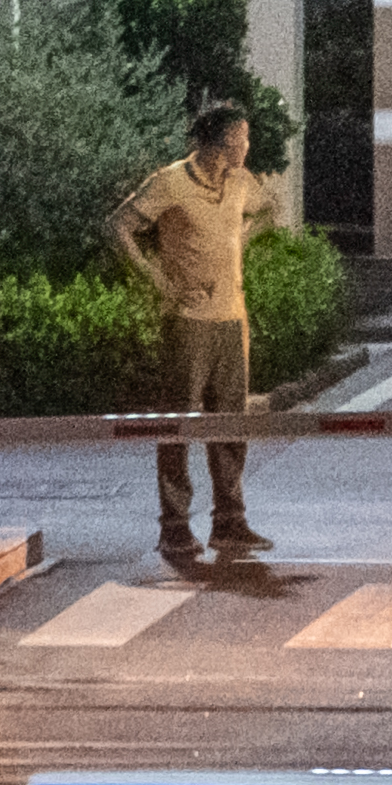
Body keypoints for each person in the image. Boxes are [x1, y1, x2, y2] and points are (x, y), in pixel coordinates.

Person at [110, 97, 271, 568]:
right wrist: (160, 279)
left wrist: (239, 240)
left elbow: (266, 210)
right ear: (221, 143)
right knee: (177, 423)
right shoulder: (170, 182)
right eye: (242, 137)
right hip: (188, 323)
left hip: (231, 318)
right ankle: (175, 528)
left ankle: (230, 520)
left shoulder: (240, 182)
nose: (248, 144)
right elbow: (119, 226)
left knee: (231, 423)